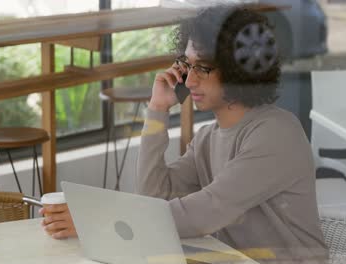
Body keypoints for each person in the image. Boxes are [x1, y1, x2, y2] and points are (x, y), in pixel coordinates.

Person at [40, 5, 329, 263]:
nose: (189, 80)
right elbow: (154, 195)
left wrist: (96, 221)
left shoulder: (275, 135)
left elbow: (201, 214)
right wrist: (157, 110)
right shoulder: (207, 138)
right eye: (187, 65)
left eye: (203, 67)